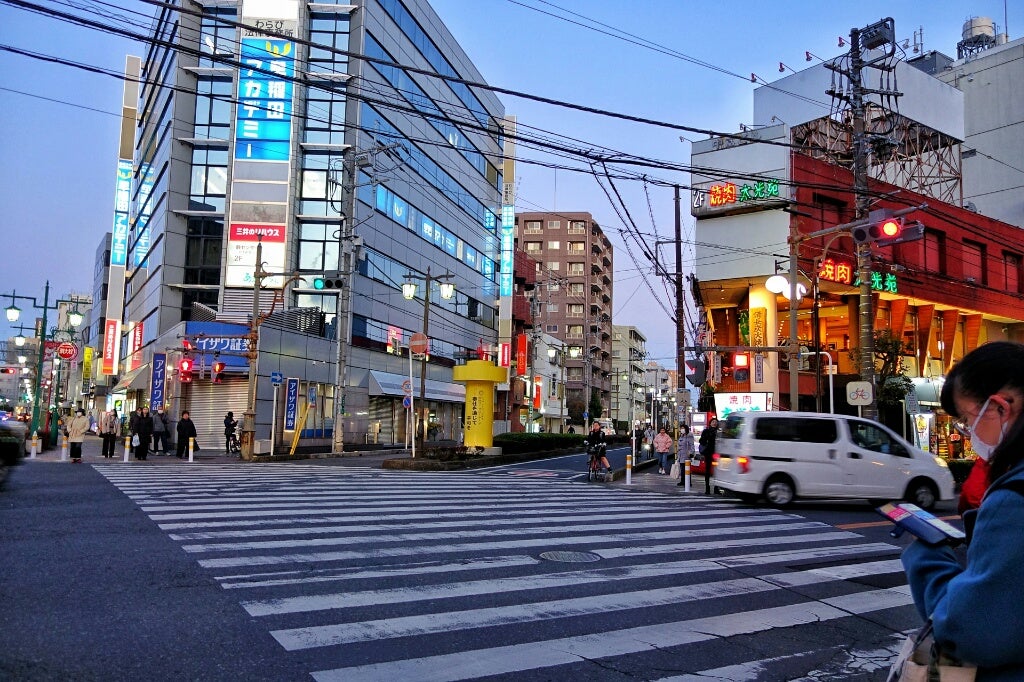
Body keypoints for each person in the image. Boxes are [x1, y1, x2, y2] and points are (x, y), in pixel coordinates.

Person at [899, 341, 1024, 678]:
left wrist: (927, 556)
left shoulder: (1013, 498)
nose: (969, 436)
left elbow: (971, 634)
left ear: (1000, 407)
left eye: (968, 421)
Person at [698, 417, 719, 494]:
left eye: (715, 422)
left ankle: (716, 488)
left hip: (717, 452)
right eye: (713, 421)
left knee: (717, 471)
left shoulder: (719, 432)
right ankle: (707, 488)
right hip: (708, 452)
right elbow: (701, 441)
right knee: (707, 470)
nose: (714, 423)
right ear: (710, 423)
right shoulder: (706, 431)